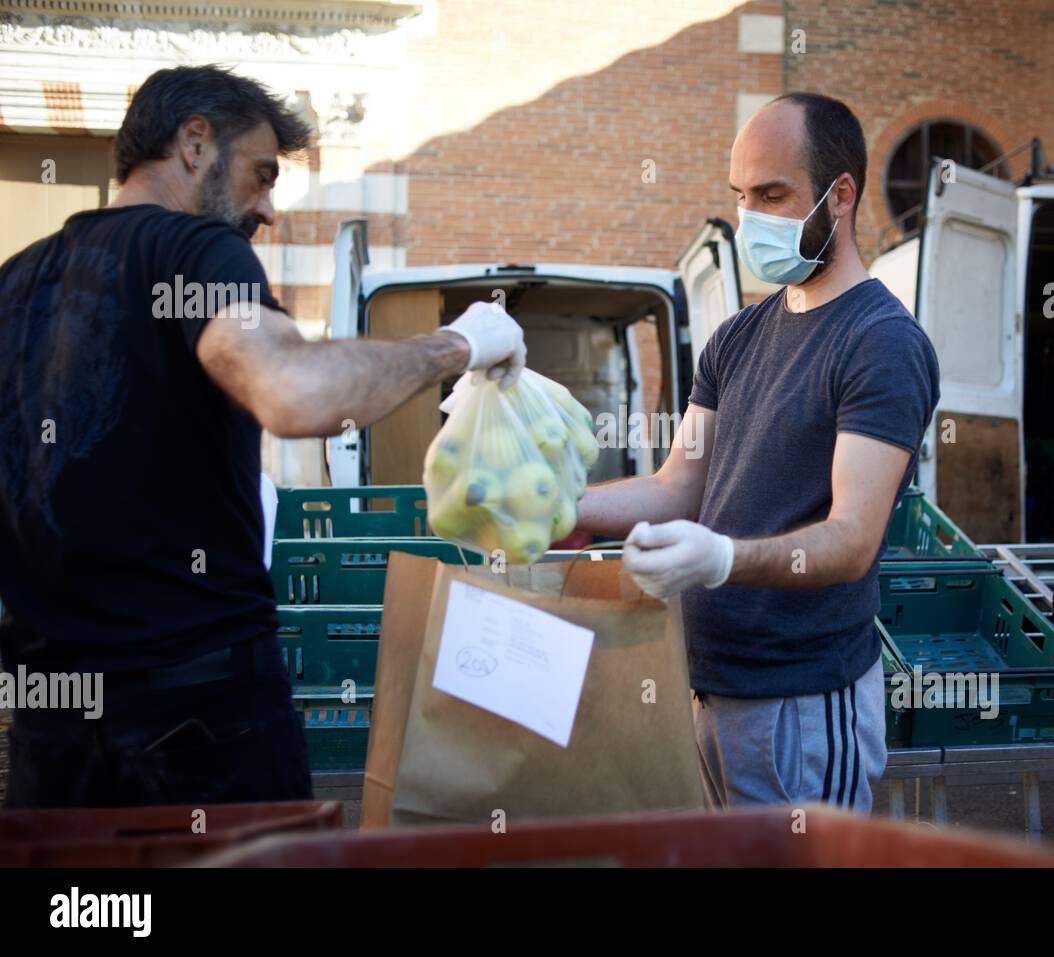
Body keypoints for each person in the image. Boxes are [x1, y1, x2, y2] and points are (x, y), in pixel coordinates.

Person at [0, 64, 524, 809]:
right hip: (198, 725)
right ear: (194, 143)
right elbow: (295, 391)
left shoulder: (13, 285)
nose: (269, 208)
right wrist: (457, 345)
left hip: (49, 742)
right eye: (261, 174)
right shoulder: (192, 250)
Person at [575, 93, 940, 813]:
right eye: (742, 197)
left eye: (773, 194)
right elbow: (678, 486)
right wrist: (564, 503)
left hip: (801, 704)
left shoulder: (881, 343)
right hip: (708, 687)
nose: (752, 219)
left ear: (840, 196)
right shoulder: (737, 338)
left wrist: (720, 559)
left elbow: (852, 538)